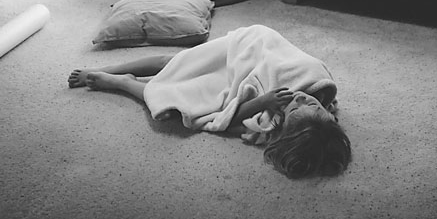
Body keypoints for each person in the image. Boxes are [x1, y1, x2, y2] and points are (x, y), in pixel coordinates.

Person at [69, 24, 352, 178]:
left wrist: (263, 101)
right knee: (176, 63)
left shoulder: (273, 124)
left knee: (183, 105)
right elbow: (293, 62)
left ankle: (124, 83)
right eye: (311, 105)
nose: (301, 99)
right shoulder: (321, 92)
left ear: (284, 129)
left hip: (242, 83)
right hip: (250, 47)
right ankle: (109, 69)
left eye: (294, 108)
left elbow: (232, 121)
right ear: (328, 115)